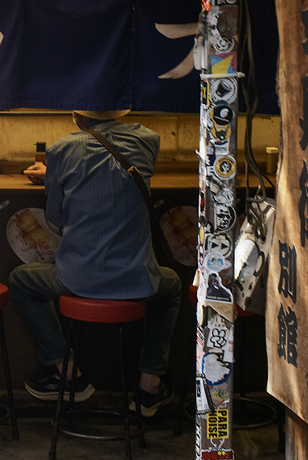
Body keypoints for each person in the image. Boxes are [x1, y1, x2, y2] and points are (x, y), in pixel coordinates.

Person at [10, 109, 181, 416]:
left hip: (77, 280)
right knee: (171, 287)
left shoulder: (61, 150)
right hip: (137, 278)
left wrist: (54, 177)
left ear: (77, 115)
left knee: (21, 280)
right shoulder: (148, 140)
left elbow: (56, 218)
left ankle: (68, 374)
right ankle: (149, 387)